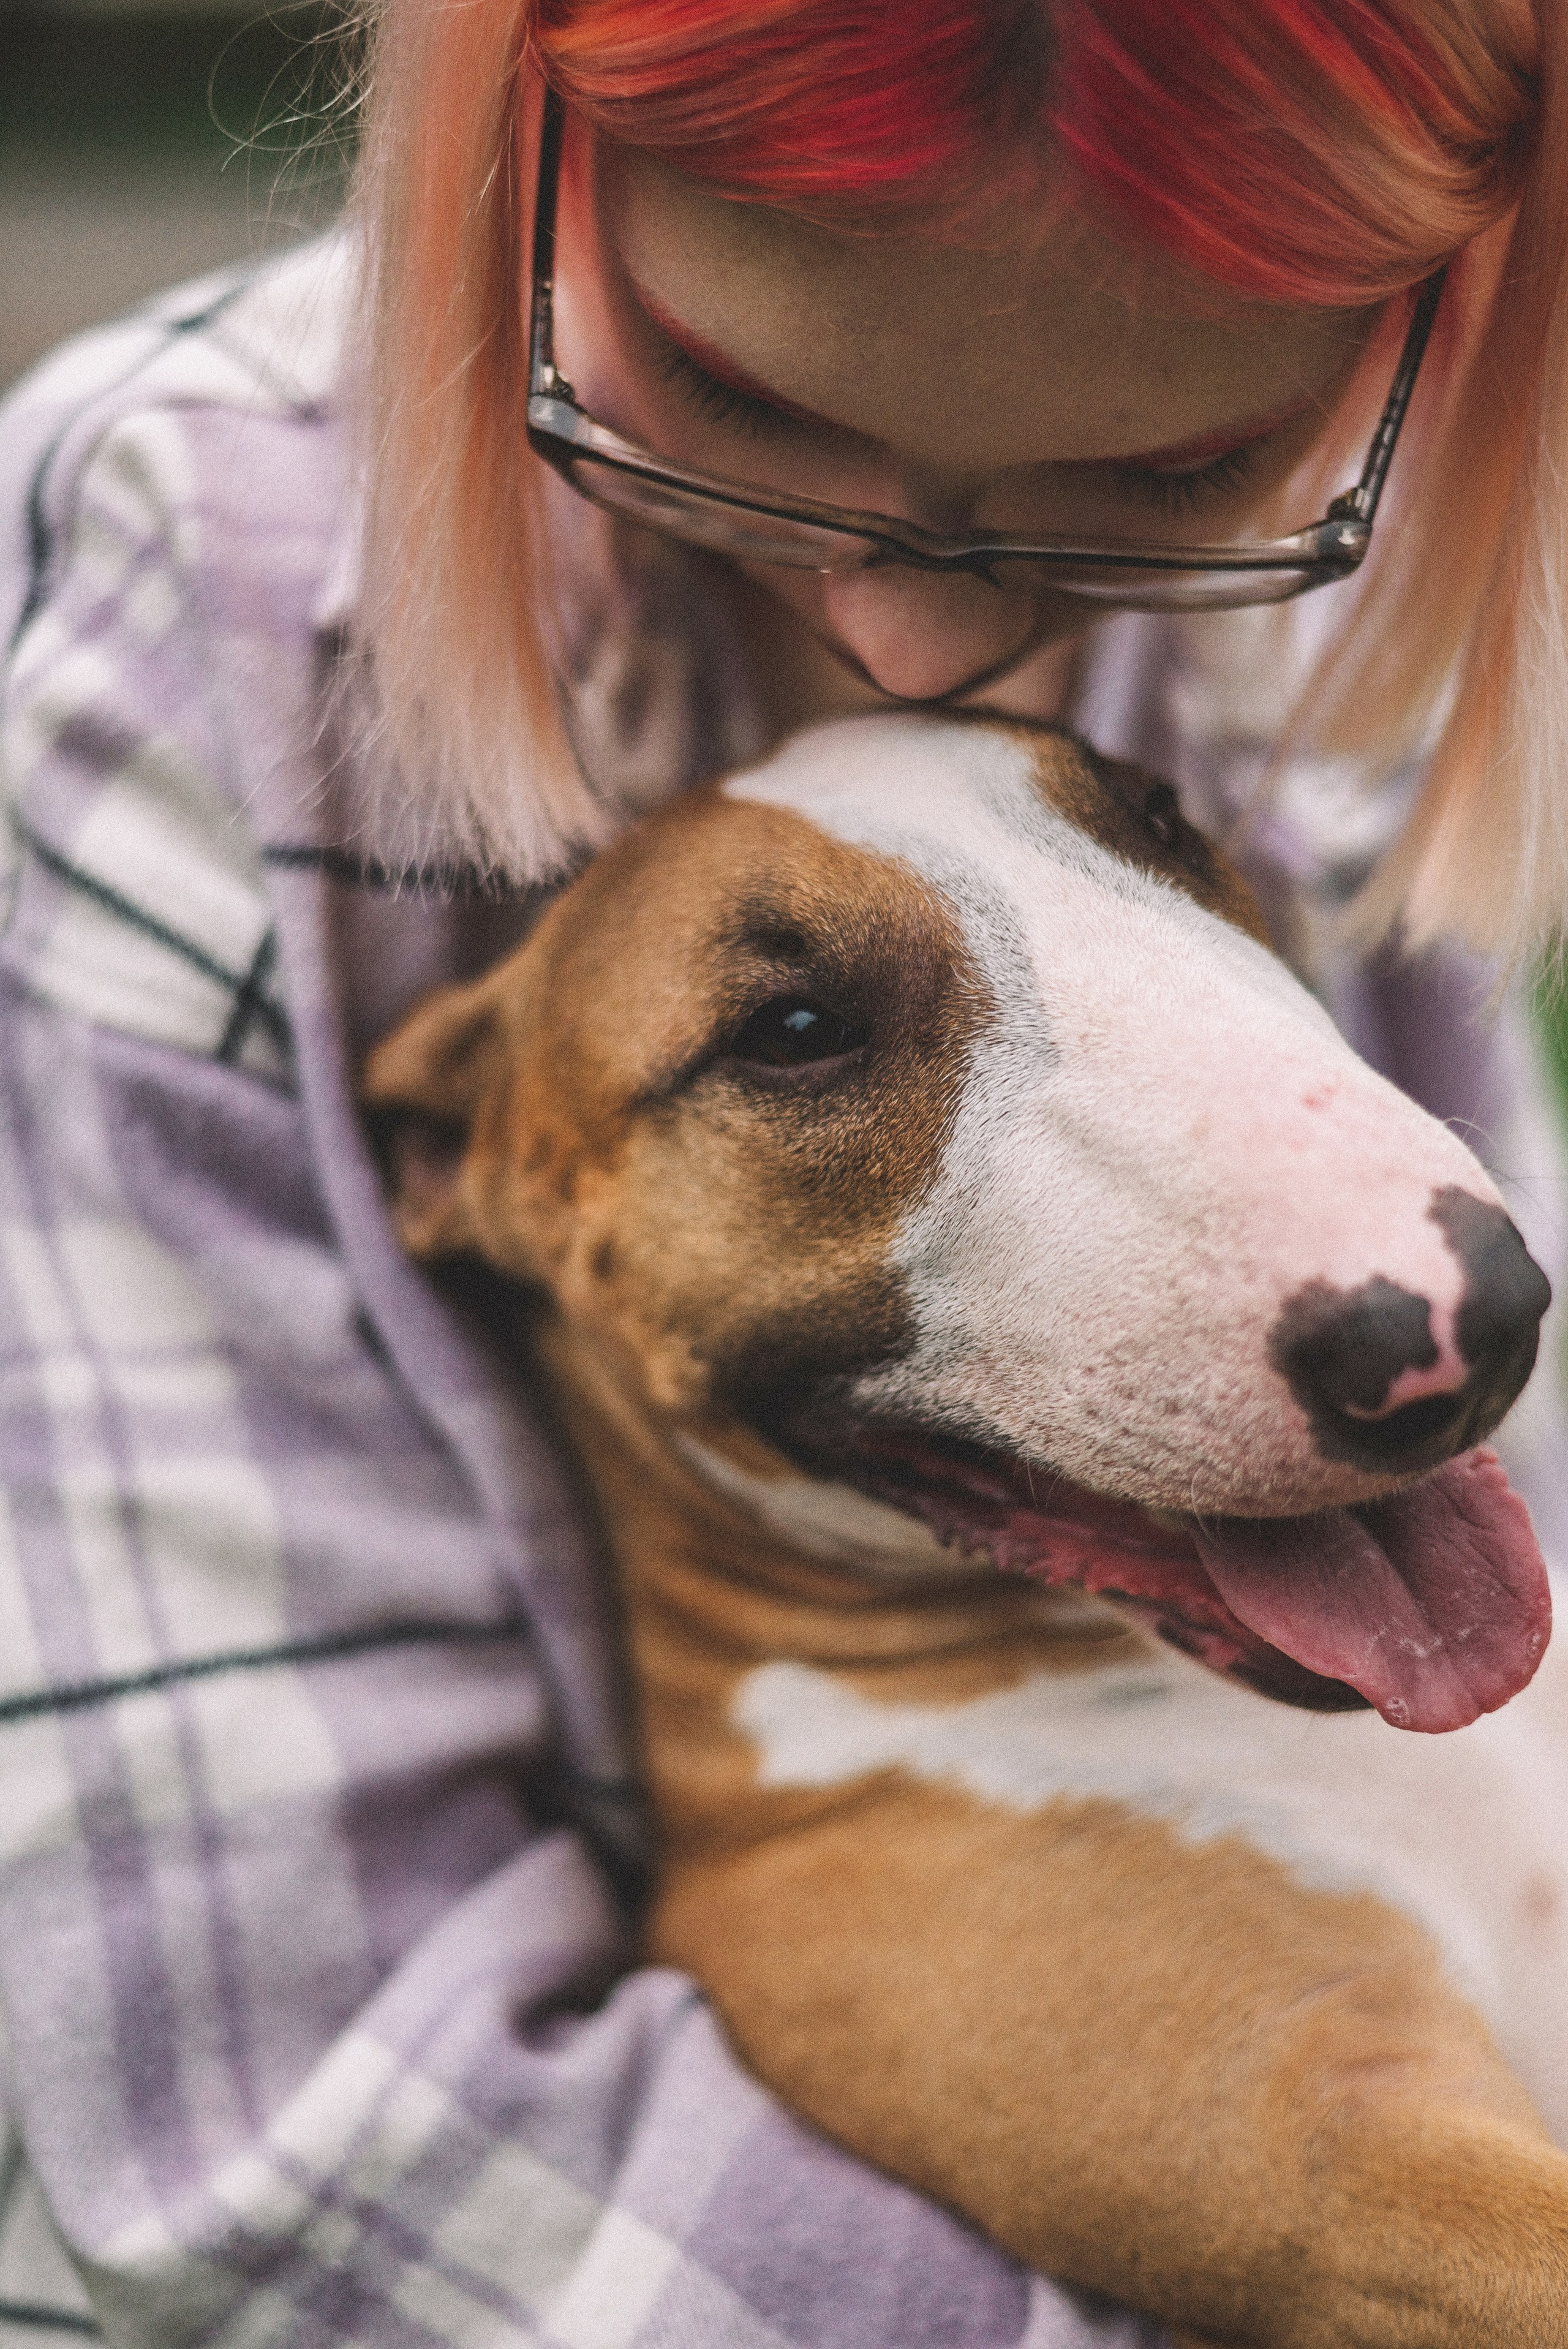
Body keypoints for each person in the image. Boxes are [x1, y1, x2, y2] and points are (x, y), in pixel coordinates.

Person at [0, 2, 1563, 2343]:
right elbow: (274, 2129)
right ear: (513, 157)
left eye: (1172, 473)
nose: (928, 643)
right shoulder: (159, 610)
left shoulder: (1334, 555)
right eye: (745, 407)